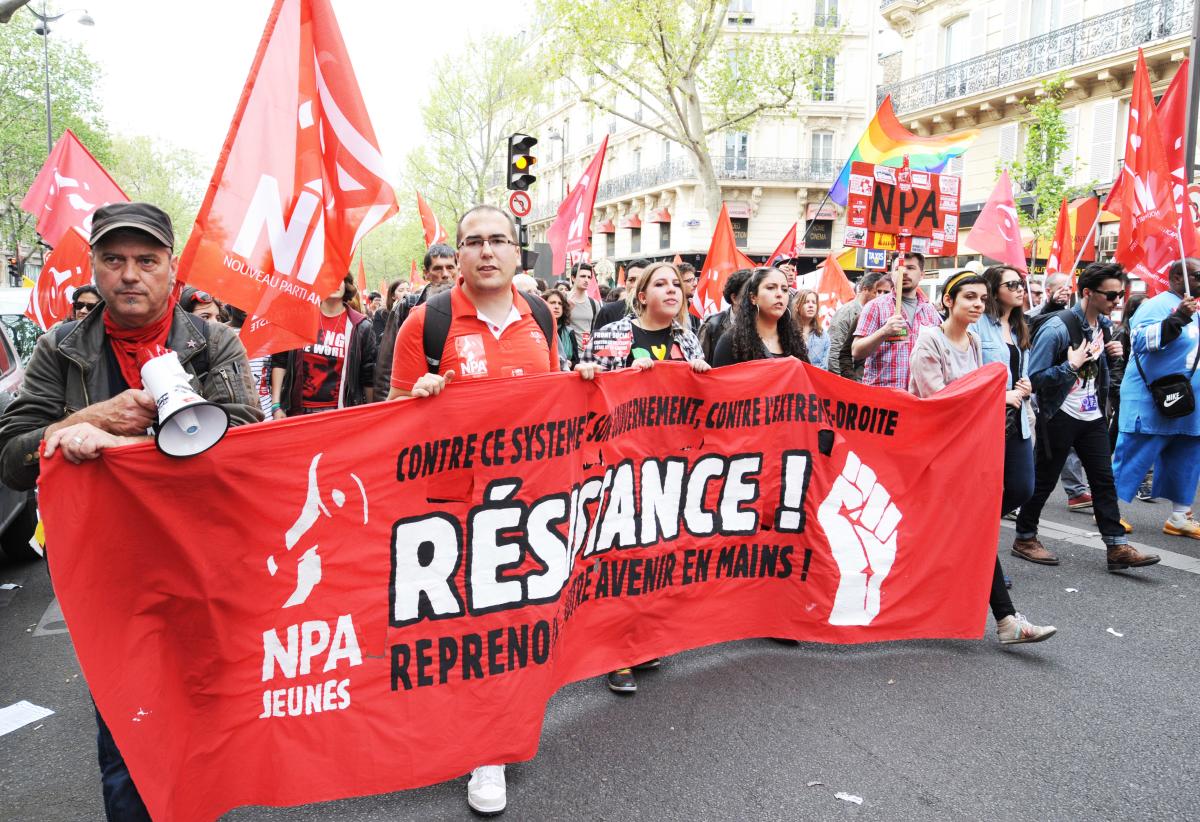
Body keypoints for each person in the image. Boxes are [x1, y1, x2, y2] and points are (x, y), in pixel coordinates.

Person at [0, 202, 261, 821]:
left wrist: (127, 446)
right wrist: (88, 418)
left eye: (147, 260)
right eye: (114, 260)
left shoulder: (212, 341)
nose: (130, 275)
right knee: (127, 735)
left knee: (208, 720)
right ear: (93, 267)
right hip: (108, 575)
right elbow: (12, 458)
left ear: (172, 268)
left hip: (203, 565)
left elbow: (245, 444)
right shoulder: (63, 348)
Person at [387, 204, 575, 815]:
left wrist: (585, 384)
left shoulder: (542, 315)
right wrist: (416, 400)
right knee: (470, 624)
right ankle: (483, 748)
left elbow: (552, 398)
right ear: (457, 255)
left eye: (499, 241)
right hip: (453, 506)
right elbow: (390, 413)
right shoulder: (428, 322)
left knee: (516, 619)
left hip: (530, 501)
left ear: (519, 253)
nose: (486, 251)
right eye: (473, 242)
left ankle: (498, 729)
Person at [582, 260, 708, 694]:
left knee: (658, 555)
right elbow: (585, 395)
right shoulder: (611, 337)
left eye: (677, 284)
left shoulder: (688, 341)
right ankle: (615, 653)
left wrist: (704, 379)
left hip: (671, 466)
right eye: (661, 284)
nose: (672, 290)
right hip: (620, 466)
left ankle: (642, 640)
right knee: (620, 558)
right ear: (641, 295)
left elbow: (702, 402)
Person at [910, 270, 1055, 644]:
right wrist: (997, 396)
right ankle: (1007, 620)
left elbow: (974, 392)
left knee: (958, 529)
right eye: (968, 298)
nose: (977, 304)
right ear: (948, 301)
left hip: (967, 451)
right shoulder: (929, 341)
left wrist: (1007, 390)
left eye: (980, 298)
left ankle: (1004, 619)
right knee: (962, 529)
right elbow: (938, 401)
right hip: (934, 454)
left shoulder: (973, 341)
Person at [1013, 262, 1159, 571]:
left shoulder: (1104, 326)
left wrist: (1111, 354)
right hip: (1059, 414)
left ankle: (1117, 547)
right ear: (1088, 292)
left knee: (1104, 481)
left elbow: (1097, 370)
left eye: (1121, 294)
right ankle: (1025, 537)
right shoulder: (1058, 328)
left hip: (1091, 413)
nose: (1117, 301)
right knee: (1044, 480)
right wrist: (1071, 365)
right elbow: (1032, 379)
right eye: (1111, 295)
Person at [1113, 259, 1200, 539]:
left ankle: (1180, 516)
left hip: (1188, 402)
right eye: (1198, 276)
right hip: (1152, 399)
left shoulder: (1197, 307)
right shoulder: (1156, 305)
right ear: (1177, 277)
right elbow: (1139, 342)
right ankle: (1109, 511)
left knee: (1186, 458)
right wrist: (1177, 318)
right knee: (1134, 456)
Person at [270, 272, 377, 418]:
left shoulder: (361, 327)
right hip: (298, 414)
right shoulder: (299, 319)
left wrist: (370, 414)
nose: (334, 283)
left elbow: (368, 375)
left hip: (341, 415)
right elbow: (280, 360)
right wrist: (276, 406)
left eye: (339, 279)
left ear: (346, 285)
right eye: (327, 278)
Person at [373, 244, 458, 398]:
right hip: (415, 401)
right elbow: (386, 366)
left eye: (450, 267)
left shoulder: (474, 305)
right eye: (438, 268)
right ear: (426, 274)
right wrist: (386, 408)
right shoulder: (407, 307)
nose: (445, 274)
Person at [851, 251, 941, 389]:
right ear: (891, 274)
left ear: (922, 274)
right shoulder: (875, 306)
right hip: (883, 398)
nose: (904, 272)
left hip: (917, 397)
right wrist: (884, 332)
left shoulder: (930, 311)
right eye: (899, 268)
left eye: (911, 268)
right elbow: (856, 352)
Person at [712, 267, 808, 367]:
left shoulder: (795, 342)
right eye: (771, 287)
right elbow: (721, 381)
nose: (780, 294)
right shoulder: (732, 341)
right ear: (753, 297)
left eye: (784, 289)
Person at [827, 271, 891, 381]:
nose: (881, 296)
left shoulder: (885, 313)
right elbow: (835, 352)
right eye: (877, 292)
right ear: (865, 290)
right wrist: (846, 384)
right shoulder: (847, 313)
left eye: (886, 292)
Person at [697, 268, 753, 363]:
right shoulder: (712, 326)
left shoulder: (764, 323)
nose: (754, 298)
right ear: (734, 298)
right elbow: (700, 362)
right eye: (749, 294)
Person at [592, 258, 649, 333]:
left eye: (642, 280)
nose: (636, 285)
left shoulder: (661, 311)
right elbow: (598, 342)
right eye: (631, 280)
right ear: (625, 283)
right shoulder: (608, 312)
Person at [542, 289, 580, 370]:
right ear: (543, 304)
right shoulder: (538, 330)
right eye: (552, 303)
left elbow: (576, 361)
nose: (556, 306)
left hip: (565, 377)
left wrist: (570, 364)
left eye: (560, 304)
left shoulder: (569, 332)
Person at [793, 288, 830, 369]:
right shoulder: (789, 332)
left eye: (814, 302)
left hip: (814, 379)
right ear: (797, 306)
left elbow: (824, 367)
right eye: (806, 302)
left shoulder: (823, 335)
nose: (811, 305)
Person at [564, 262, 601, 342]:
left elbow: (597, 330)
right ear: (573, 278)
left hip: (586, 351)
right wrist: (567, 309)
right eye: (583, 276)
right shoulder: (563, 299)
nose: (586, 280)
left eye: (589, 277)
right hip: (568, 350)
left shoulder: (594, 304)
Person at [677, 261, 702, 333]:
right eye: (689, 280)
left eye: (694, 279)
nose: (695, 284)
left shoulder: (693, 309)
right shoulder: (671, 312)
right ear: (678, 283)